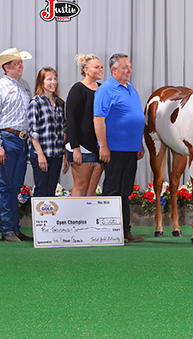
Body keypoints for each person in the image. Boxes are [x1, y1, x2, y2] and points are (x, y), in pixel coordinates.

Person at [94, 53, 146, 243]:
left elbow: (135, 117)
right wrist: (103, 146)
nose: (129, 71)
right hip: (114, 148)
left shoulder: (130, 88)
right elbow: (98, 119)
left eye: (129, 67)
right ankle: (109, 231)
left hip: (131, 148)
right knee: (112, 189)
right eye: (125, 67)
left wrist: (138, 142)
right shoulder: (105, 90)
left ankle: (124, 230)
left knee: (125, 190)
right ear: (114, 70)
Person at [0, 48, 33, 242]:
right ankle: (7, 229)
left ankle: (14, 228)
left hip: (22, 140)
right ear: (6, 67)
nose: (20, 66)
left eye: (21, 63)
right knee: (5, 186)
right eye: (16, 64)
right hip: (7, 139)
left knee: (15, 186)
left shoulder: (24, 85)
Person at [66, 54, 105, 196]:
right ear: (85, 69)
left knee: (92, 188)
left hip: (98, 146)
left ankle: (89, 219)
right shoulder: (78, 89)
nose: (100, 70)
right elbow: (71, 120)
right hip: (82, 146)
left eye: (101, 67)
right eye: (96, 67)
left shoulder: (102, 89)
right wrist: (75, 148)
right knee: (81, 185)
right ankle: (75, 218)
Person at [28, 67, 69, 197]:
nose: (53, 82)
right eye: (49, 79)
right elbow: (33, 132)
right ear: (41, 82)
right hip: (42, 153)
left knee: (51, 190)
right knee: (41, 189)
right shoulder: (36, 102)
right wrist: (40, 155)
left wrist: (65, 155)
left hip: (56, 154)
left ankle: (49, 217)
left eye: (55, 79)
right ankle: (39, 218)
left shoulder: (60, 103)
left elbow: (63, 130)